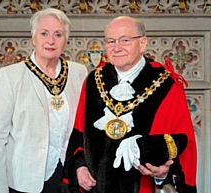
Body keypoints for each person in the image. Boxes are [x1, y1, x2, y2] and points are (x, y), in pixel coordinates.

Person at [60, 16, 197, 193]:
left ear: (142, 43)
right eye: (110, 41)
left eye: (125, 40)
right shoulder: (93, 81)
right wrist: (80, 167)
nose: (117, 48)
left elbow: (183, 148)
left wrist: (163, 175)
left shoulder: (168, 85)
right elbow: (79, 136)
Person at [0, 8, 88, 193]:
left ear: (66, 40)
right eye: (44, 33)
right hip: (25, 180)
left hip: (69, 176)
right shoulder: (11, 76)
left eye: (58, 34)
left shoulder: (78, 72)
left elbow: (83, 128)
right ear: (34, 38)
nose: (51, 40)